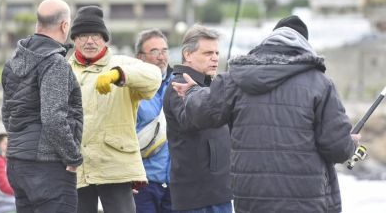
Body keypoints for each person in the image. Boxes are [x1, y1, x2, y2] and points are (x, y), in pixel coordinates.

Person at [172, 16, 361, 213]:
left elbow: (200, 113)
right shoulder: (321, 84)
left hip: (251, 201)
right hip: (304, 202)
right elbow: (338, 148)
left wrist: (193, 92)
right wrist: (351, 142)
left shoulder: (236, 79)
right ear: (304, 46)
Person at [68, 5, 162, 213]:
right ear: (74, 39)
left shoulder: (121, 63)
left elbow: (154, 76)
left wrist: (119, 75)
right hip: (76, 166)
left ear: (105, 39)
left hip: (115, 165)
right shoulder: (64, 69)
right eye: (83, 35)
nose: (90, 41)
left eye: (96, 35)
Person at [1, 0, 83, 213]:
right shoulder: (54, 62)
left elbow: (7, 112)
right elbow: (53, 117)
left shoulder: (13, 61)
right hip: (48, 166)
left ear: (38, 23)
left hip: (17, 163)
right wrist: (73, 157)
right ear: (65, 25)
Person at [163, 24, 233, 212]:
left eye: (217, 53)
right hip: (196, 197)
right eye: (208, 53)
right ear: (188, 54)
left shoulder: (210, 86)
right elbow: (191, 119)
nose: (215, 58)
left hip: (220, 191)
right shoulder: (179, 85)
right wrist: (200, 92)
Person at [134, 29, 173, 212]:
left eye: (164, 50)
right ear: (140, 57)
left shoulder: (179, 84)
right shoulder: (130, 89)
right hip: (142, 184)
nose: (161, 56)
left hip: (175, 185)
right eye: (154, 51)